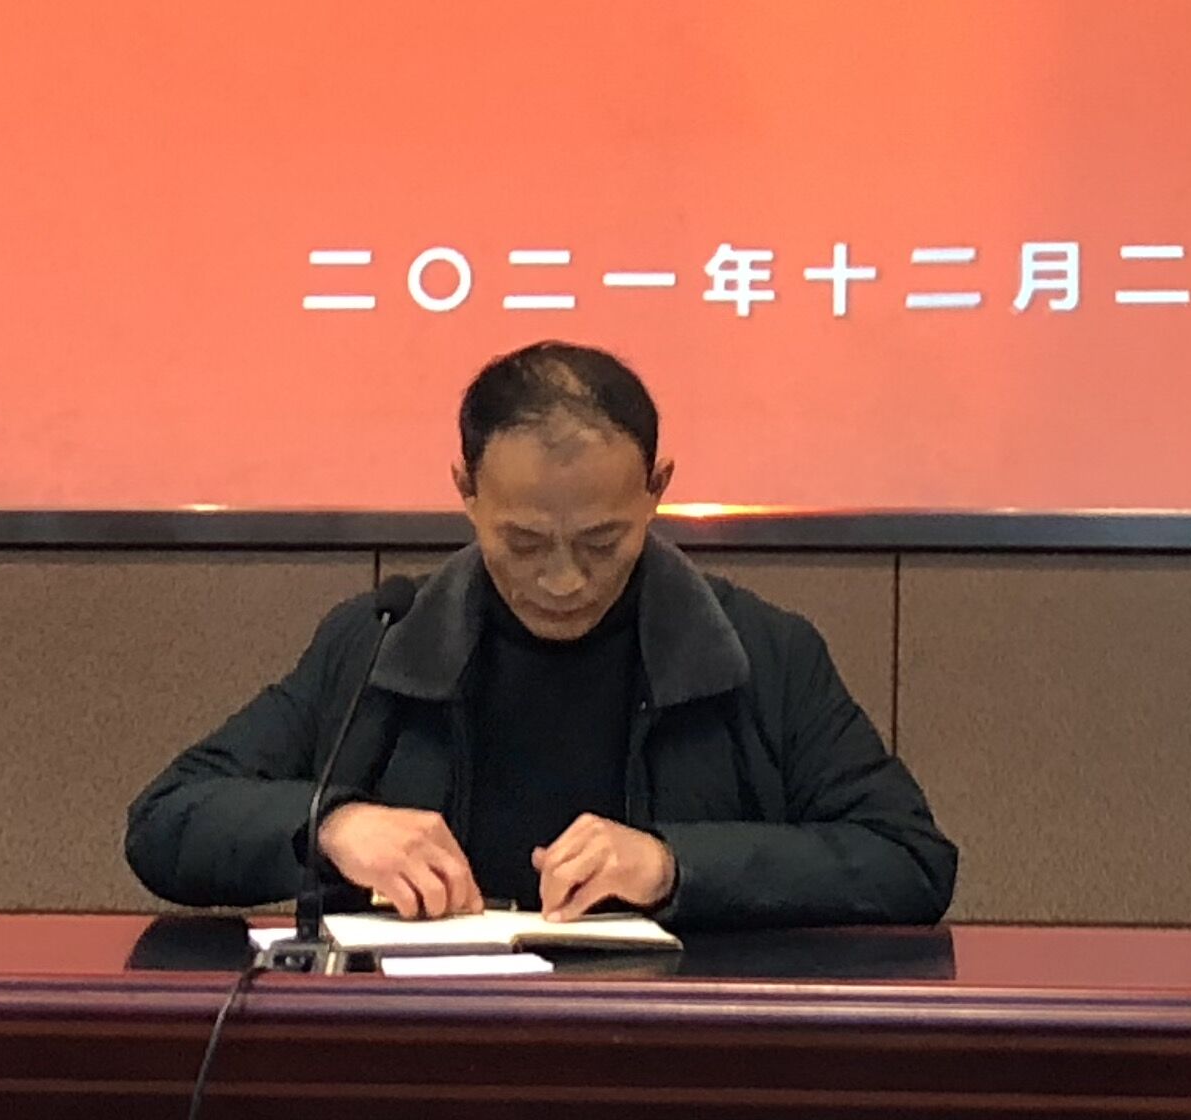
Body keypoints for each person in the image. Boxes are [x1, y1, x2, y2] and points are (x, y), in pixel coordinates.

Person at [126, 342, 955, 928]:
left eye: (602, 542)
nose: (563, 580)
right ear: (467, 493)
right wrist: (333, 825)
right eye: (524, 542)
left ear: (657, 490)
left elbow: (908, 859)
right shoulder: (381, 644)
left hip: (678, 1059)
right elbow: (165, 821)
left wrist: (674, 865)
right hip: (424, 1060)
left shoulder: (759, 654)